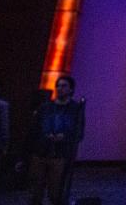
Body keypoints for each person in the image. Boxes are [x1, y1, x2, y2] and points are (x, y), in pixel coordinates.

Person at [27, 76, 84, 205]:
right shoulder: (45, 107)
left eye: (64, 86)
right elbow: (35, 128)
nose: (60, 89)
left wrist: (65, 138)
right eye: (58, 86)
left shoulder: (76, 110)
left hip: (60, 154)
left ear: (71, 89)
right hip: (41, 151)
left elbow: (79, 132)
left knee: (55, 190)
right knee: (35, 189)